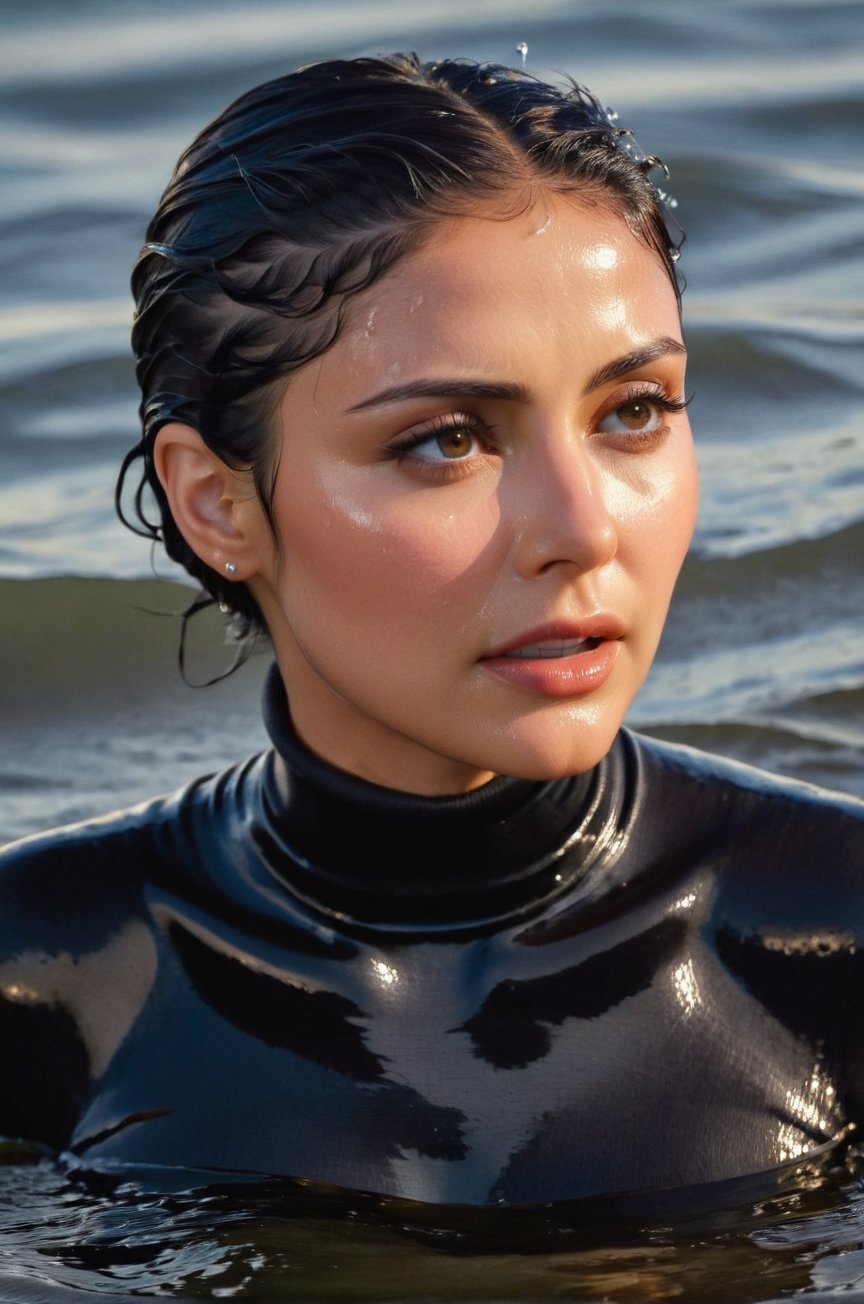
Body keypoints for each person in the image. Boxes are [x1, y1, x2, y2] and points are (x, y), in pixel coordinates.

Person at [1, 53, 863, 1209]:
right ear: (218, 502)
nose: (582, 527)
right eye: (448, 438)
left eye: (635, 411)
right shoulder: (44, 977)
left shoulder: (832, 936)